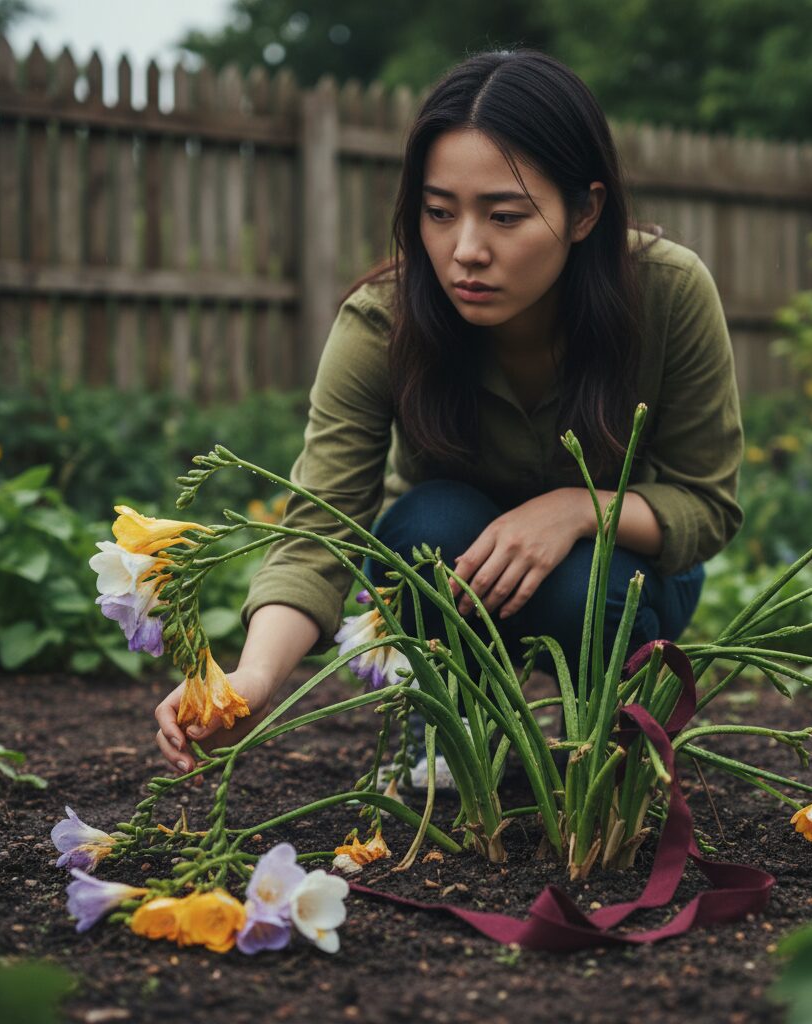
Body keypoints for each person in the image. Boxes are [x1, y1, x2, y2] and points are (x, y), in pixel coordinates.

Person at [154, 48, 744, 776]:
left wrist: (576, 508)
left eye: (505, 216)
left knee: (586, 582)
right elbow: (319, 524)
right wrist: (251, 681)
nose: (466, 251)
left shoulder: (667, 292)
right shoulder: (382, 323)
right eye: (439, 213)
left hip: (620, 573)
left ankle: (605, 749)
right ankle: (444, 737)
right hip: (455, 569)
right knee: (427, 525)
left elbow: (706, 503)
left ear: (586, 210)